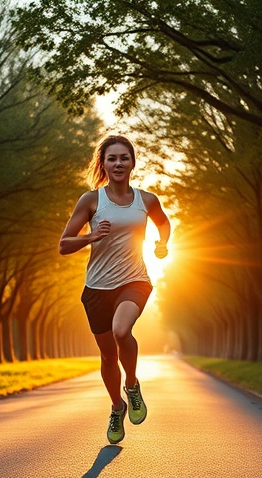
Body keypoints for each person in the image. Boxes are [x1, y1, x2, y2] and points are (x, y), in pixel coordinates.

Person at [59, 135, 171, 444]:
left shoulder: (146, 200)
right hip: (97, 288)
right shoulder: (91, 200)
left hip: (135, 280)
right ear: (104, 164)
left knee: (122, 332)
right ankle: (116, 406)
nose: (118, 163)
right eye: (112, 158)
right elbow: (63, 245)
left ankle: (132, 386)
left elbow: (164, 223)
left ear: (133, 163)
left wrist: (163, 244)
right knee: (108, 358)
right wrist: (90, 238)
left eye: (124, 157)